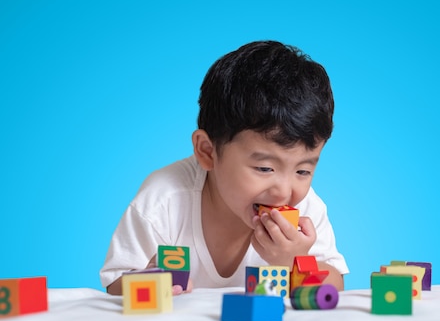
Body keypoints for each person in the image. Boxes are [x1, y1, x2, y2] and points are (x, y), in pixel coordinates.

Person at [100, 40, 349, 295]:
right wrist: (149, 281)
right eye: (264, 168)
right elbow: (115, 285)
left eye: (302, 171)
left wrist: (293, 263)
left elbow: (335, 285)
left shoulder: (306, 209)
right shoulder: (164, 200)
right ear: (207, 151)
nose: (284, 192)